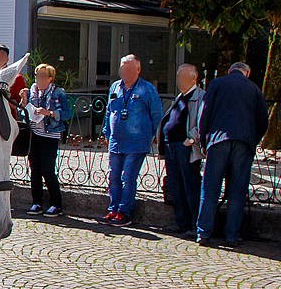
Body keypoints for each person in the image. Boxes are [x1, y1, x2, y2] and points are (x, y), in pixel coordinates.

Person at [196, 61, 269, 245]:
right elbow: (263, 120)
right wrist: (253, 140)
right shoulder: (254, 89)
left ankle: (203, 233)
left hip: (218, 140)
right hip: (244, 143)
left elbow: (204, 113)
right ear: (248, 73)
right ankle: (232, 235)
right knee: (237, 191)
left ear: (229, 71)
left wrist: (203, 140)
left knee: (210, 189)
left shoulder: (216, 84)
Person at [100, 53, 164, 225]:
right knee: (113, 177)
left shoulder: (147, 89)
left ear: (138, 69)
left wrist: (154, 136)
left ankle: (124, 212)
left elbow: (157, 115)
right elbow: (109, 111)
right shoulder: (115, 87)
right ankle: (112, 210)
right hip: (115, 141)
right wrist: (106, 133)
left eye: (129, 67)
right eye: (123, 67)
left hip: (137, 143)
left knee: (127, 178)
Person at [160, 63, 204, 237]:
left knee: (190, 184)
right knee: (175, 185)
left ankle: (195, 223)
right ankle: (181, 221)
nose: (179, 80)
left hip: (186, 147)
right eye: (178, 76)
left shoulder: (200, 97)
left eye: (183, 76)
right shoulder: (180, 96)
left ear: (194, 77)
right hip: (172, 146)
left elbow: (202, 122)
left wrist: (191, 139)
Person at [22, 63, 68, 216]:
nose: (38, 80)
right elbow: (25, 112)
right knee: (35, 170)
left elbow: (67, 113)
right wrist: (24, 103)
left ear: (49, 79)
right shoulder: (32, 92)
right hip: (34, 135)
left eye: (42, 76)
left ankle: (56, 204)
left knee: (48, 170)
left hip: (50, 136)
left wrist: (49, 113)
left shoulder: (58, 93)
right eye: (37, 76)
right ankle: (36, 202)